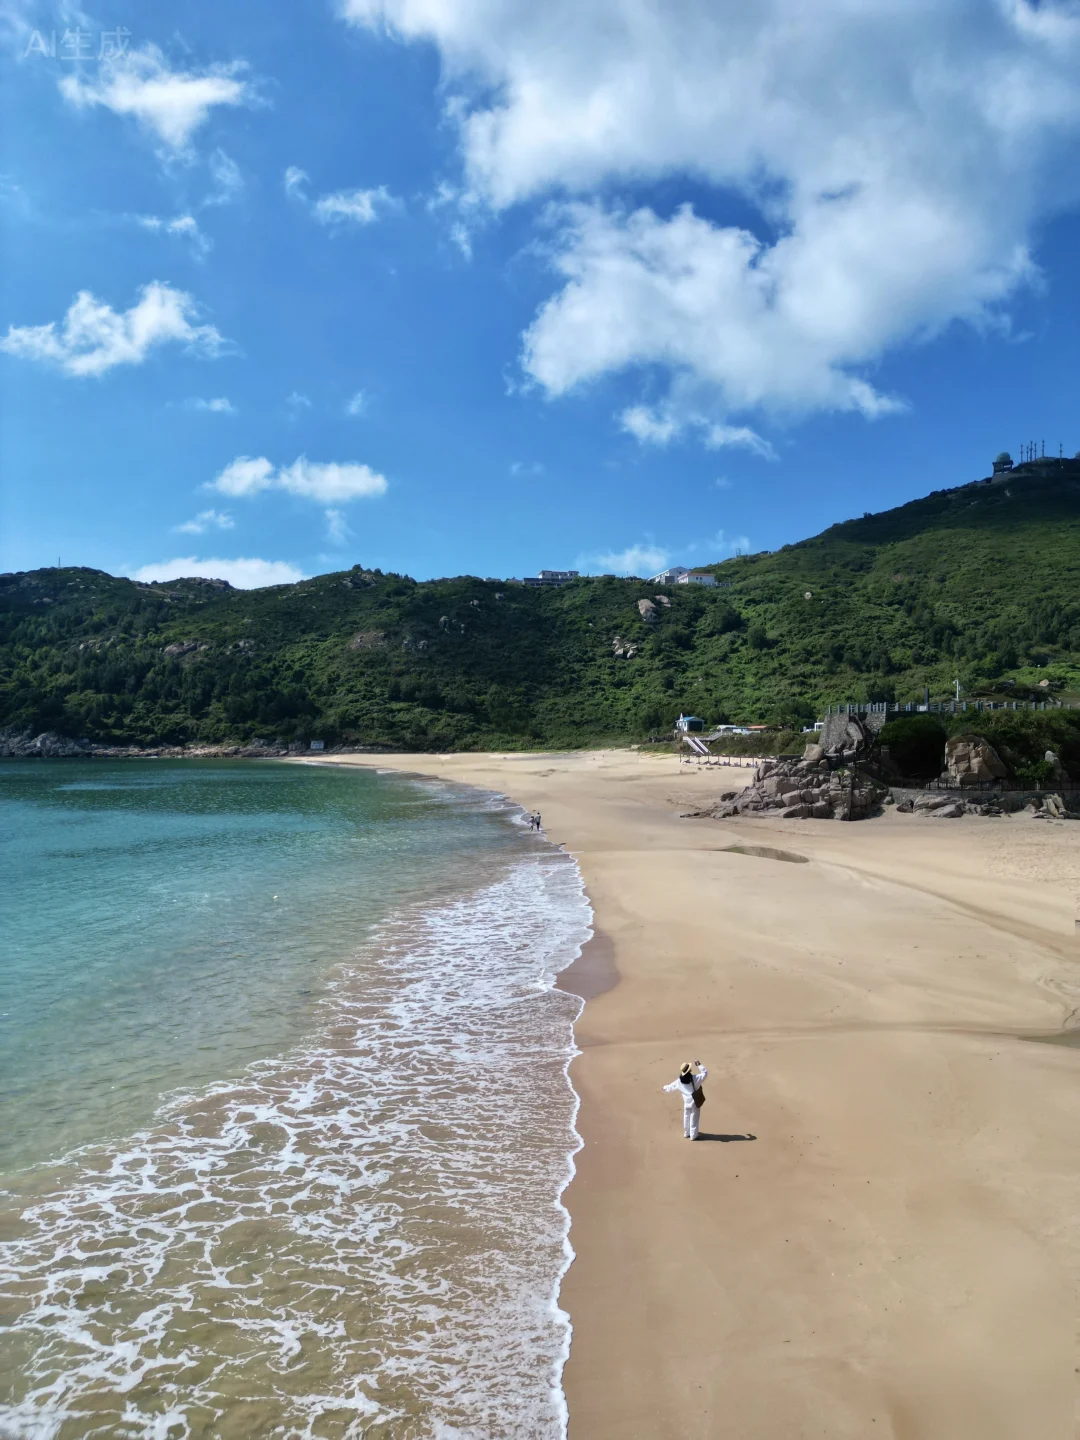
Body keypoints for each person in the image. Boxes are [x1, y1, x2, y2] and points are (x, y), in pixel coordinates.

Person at [663, 1059, 707, 1139]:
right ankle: (693, 1135)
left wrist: (664, 1088)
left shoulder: (679, 1081)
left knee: (686, 1117)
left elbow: (670, 1087)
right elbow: (705, 1073)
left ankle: (686, 1133)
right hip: (694, 1102)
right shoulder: (695, 1078)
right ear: (689, 1070)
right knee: (694, 1118)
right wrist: (699, 1064)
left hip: (686, 1103)